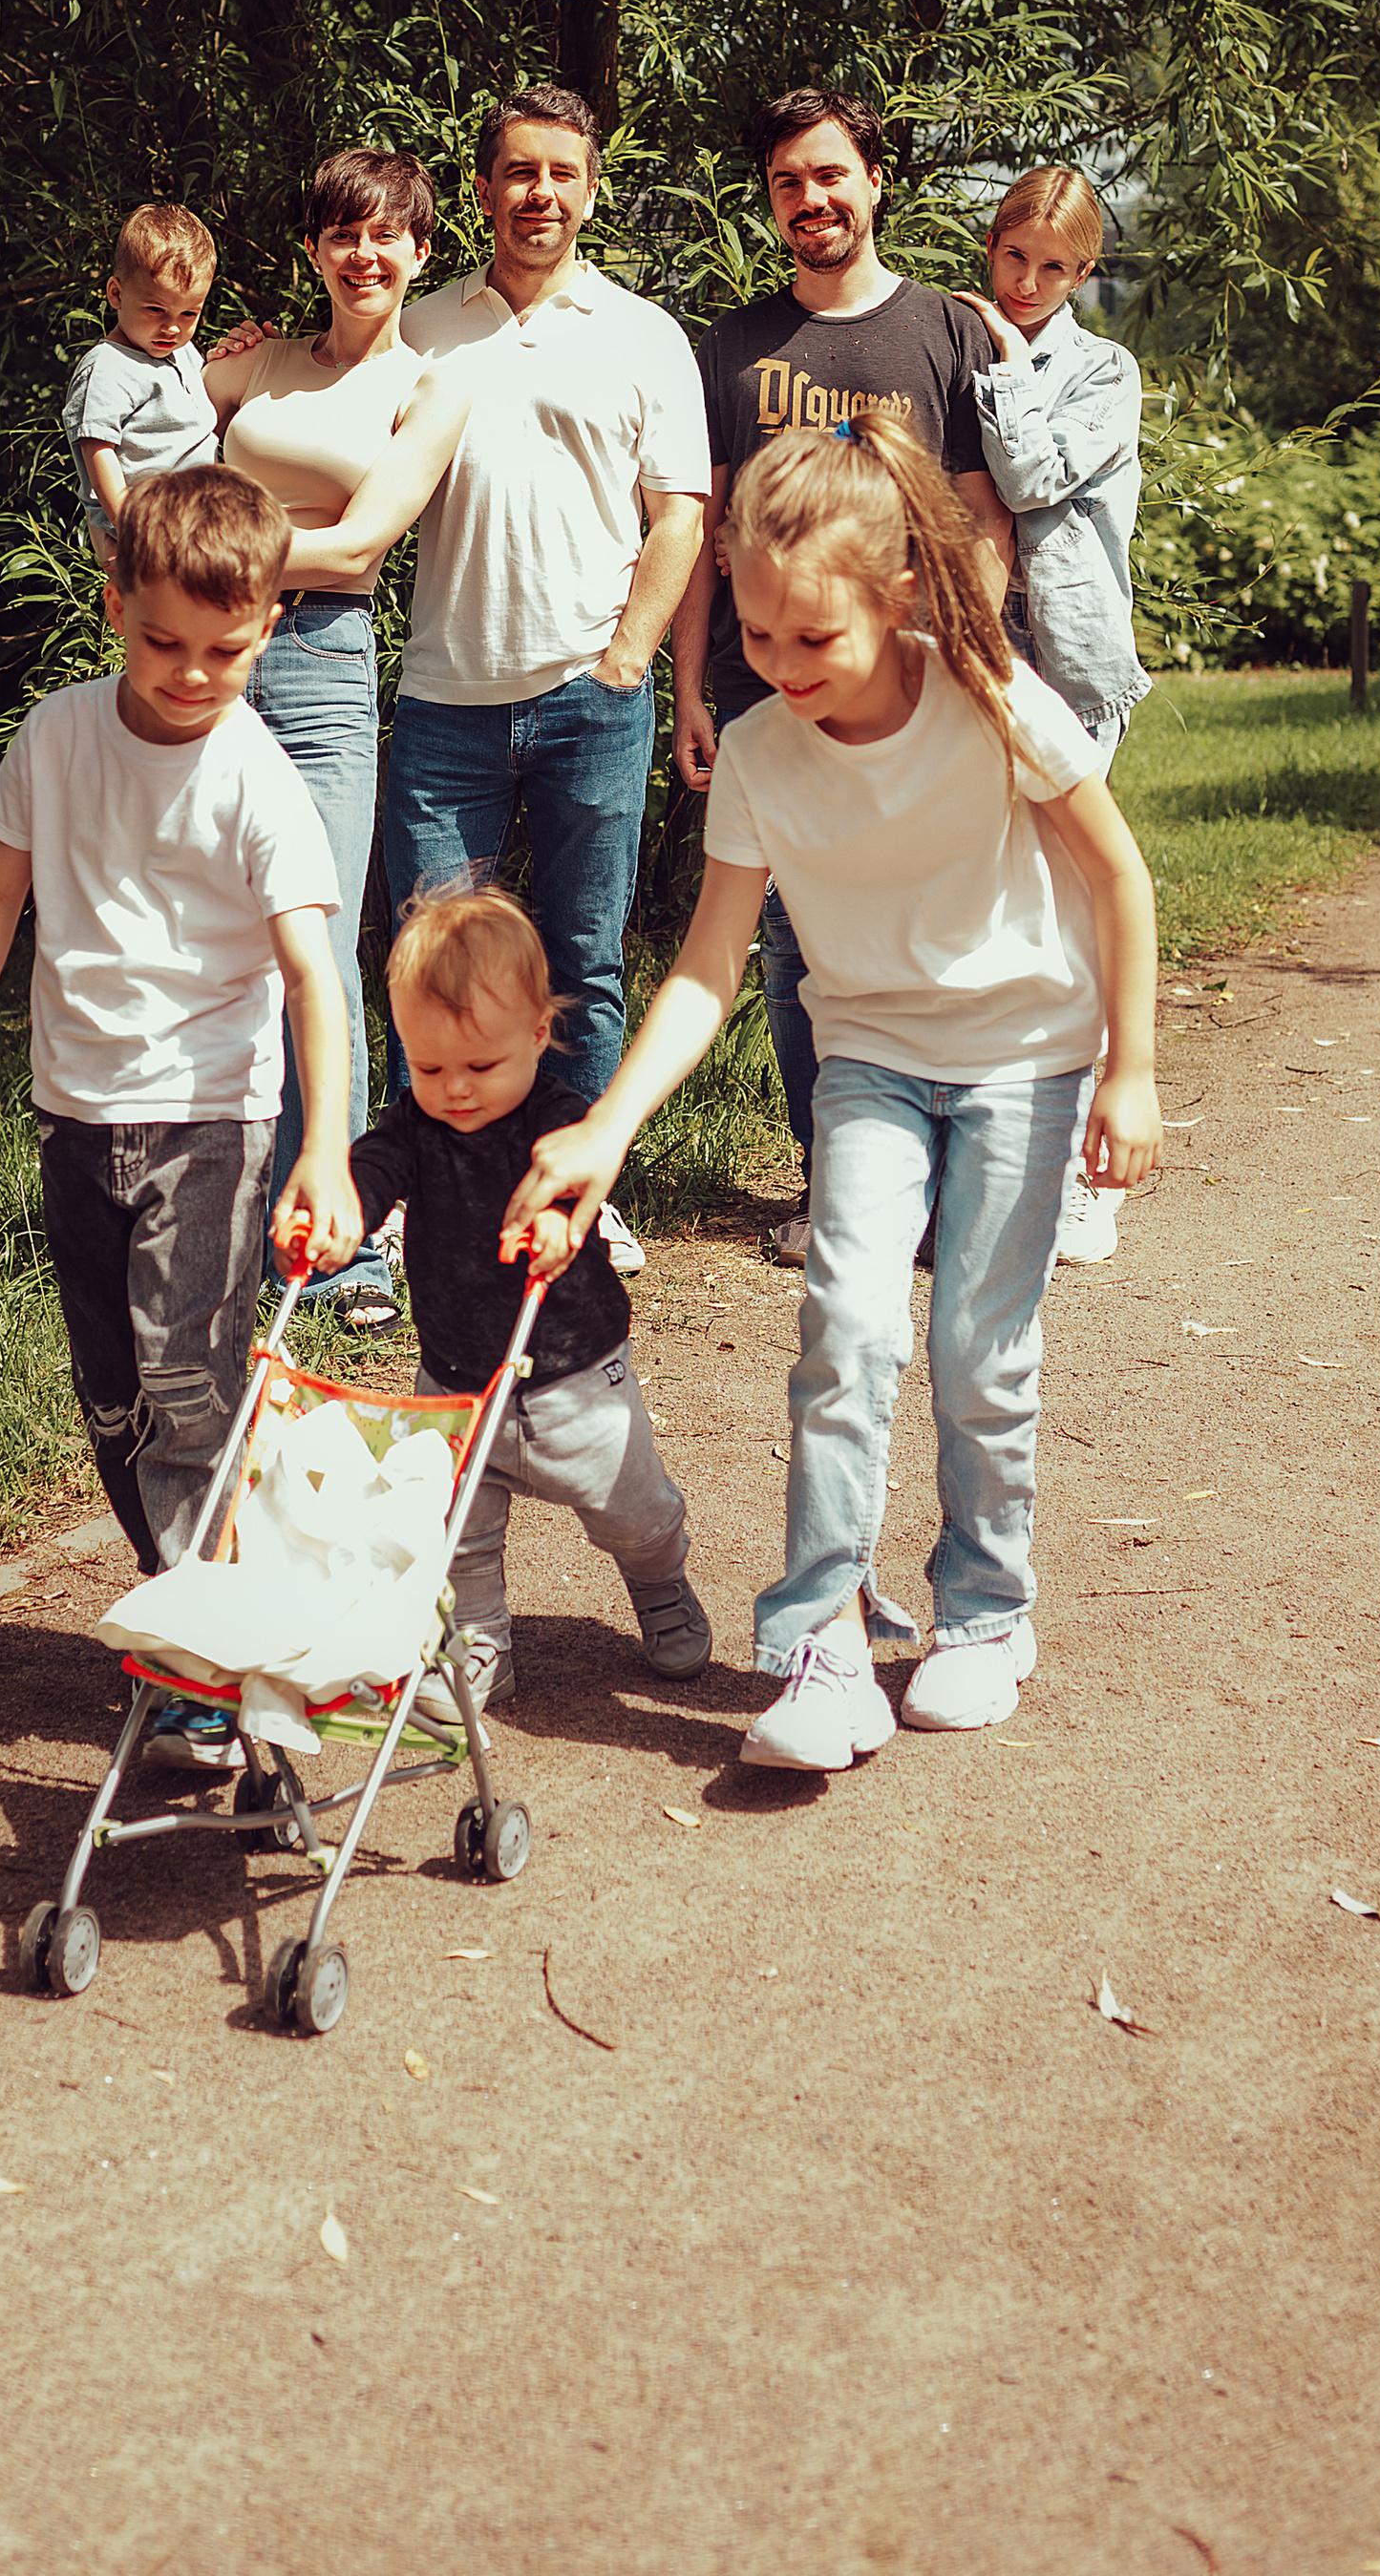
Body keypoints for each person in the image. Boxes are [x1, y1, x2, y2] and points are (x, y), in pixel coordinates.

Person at [504, 414, 1161, 1775]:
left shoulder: (992, 699)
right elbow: (704, 972)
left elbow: (1120, 876)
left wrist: (1132, 1069)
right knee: (846, 1332)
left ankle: (984, 1615)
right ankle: (822, 1641)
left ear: (899, 598)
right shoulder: (757, 754)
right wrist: (605, 1130)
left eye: (817, 641)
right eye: (755, 637)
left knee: (983, 1354)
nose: (783, 669)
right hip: (866, 1056)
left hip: (1027, 1057)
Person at [0, 470, 362, 1751]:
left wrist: (322, 1147)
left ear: (270, 625)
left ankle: (209, 1666)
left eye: (225, 650)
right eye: (163, 642)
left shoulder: (261, 779)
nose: (190, 673)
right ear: (115, 607)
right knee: (115, 1396)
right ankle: (214, 1600)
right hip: (77, 1114)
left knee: (186, 1384)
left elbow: (310, 976)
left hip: (213, 1121)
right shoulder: (60, 738)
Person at [669, 84, 1013, 1264]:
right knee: (789, 943)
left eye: (829, 175)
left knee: (930, 923)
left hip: (919, 689)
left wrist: (974, 656)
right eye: (786, 184)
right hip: (771, 690)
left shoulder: (943, 332)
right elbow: (705, 536)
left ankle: (950, 1169)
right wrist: (690, 691)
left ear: (873, 180)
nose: (810, 199)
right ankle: (837, 1184)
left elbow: (979, 519)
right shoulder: (731, 346)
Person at [381, 83, 711, 1281]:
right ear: (482, 191)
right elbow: (314, 404)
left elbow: (680, 511)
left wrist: (627, 660)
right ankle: (420, 1200)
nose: (541, 194)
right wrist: (227, 367)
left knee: (582, 960)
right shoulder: (421, 329)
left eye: (562, 173)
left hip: (591, 701)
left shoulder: (643, 334)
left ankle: (577, 1183)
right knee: (427, 959)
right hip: (443, 703)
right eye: (519, 172)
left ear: (588, 185)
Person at [202, 146, 475, 1334]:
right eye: (342, 234)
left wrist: (211, 555)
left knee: (309, 937)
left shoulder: (430, 385)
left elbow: (361, 546)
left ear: (420, 252)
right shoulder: (250, 365)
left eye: (389, 236)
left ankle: (349, 1245)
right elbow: (146, 460)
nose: (366, 254)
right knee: (213, 941)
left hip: (317, 663)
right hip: (204, 663)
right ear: (313, 249)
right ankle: (226, 1220)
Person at [347, 887, 708, 1722]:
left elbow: (571, 1189)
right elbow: (374, 1166)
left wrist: (559, 1228)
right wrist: (345, 1213)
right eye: (430, 1068)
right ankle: (480, 1642)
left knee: (632, 1510)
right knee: (457, 1524)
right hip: (457, 1373)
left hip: (573, 1373)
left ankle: (659, 1582)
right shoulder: (415, 1123)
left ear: (539, 1036)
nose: (457, 1090)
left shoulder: (558, 1119)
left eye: (481, 1067)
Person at [957, 165, 1153, 1267]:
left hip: (1070, 671)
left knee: (1075, 909)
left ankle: (1092, 1173)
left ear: (1084, 274)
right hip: (975, 653)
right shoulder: (960, 340)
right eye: (1012, 258)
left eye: (1053, 268)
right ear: (993, 246)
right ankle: (996, 1164)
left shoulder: (1100, 369)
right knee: (990, 913)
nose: (1027, 282)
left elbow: (1027, 479)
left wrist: (1009, 356)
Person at [62, 202, 220, 569]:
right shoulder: (107, 366)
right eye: (155, 310)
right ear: (116, 294)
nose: (173, 327)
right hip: (151, 526)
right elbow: (99, 454)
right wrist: (133, 534)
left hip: (199, 517)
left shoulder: (183, 353)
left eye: (189, 314)